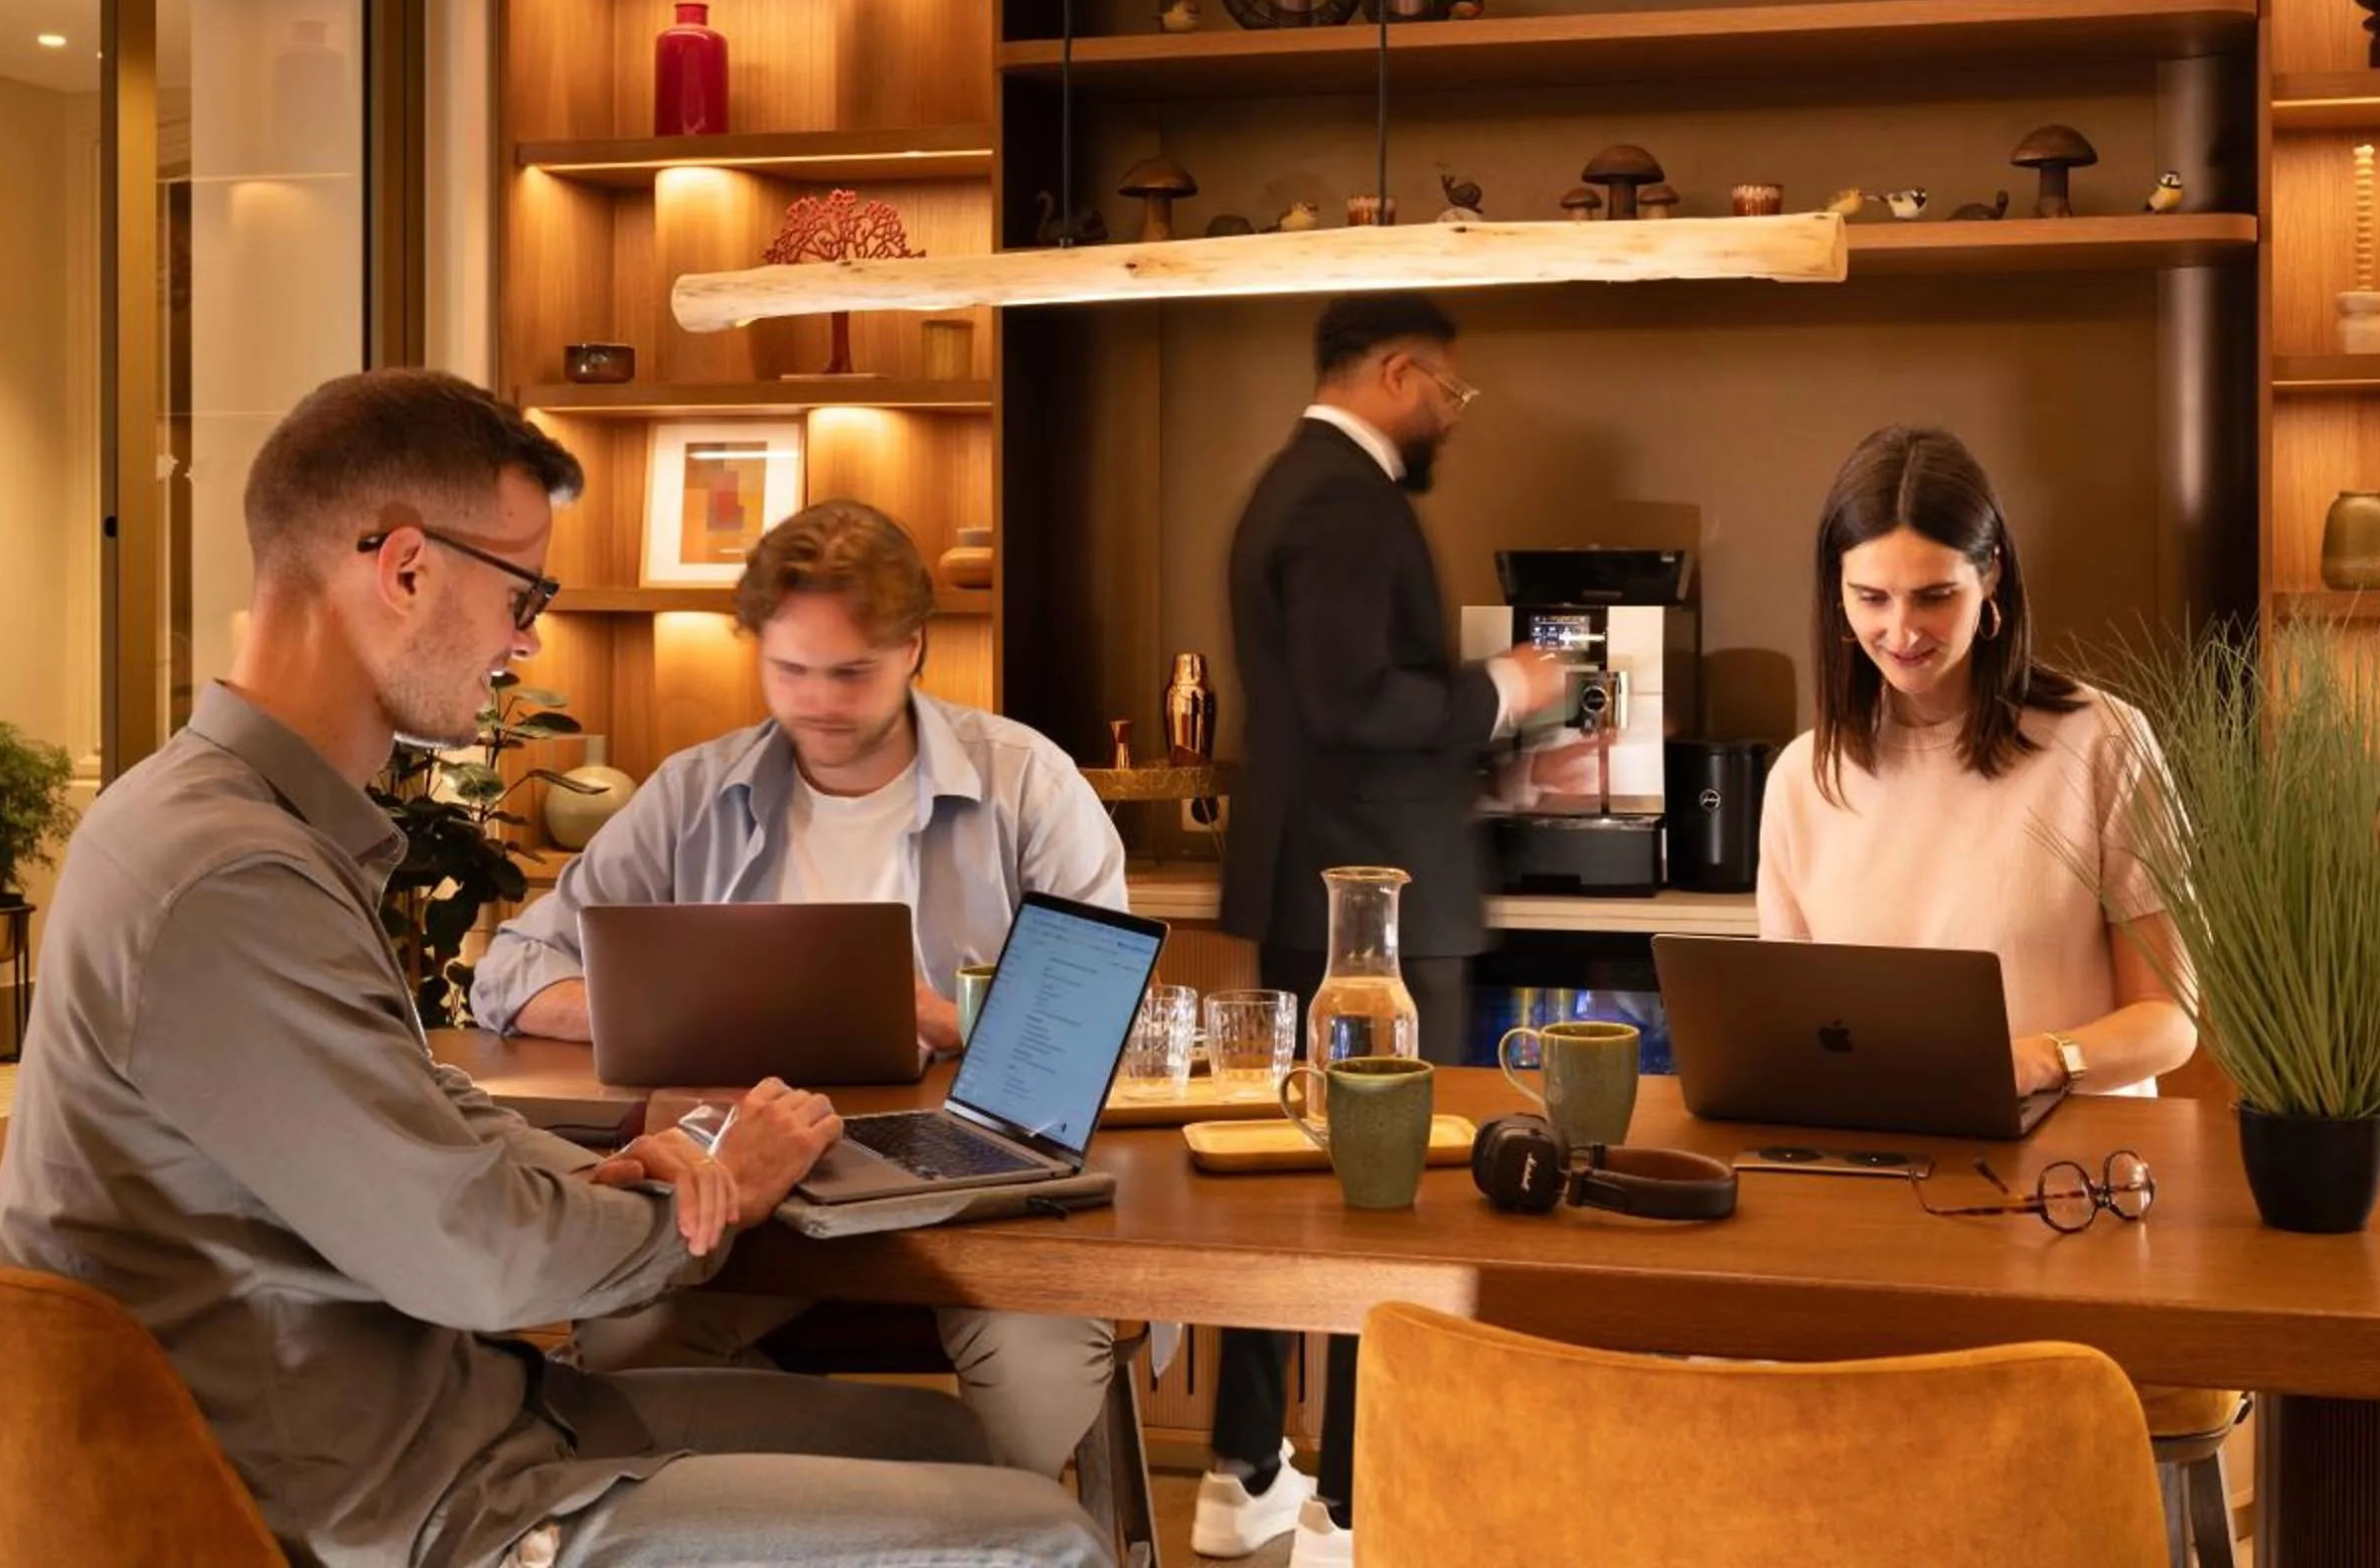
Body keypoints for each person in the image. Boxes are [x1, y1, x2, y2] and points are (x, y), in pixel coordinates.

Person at [0, 369, 1107, 1568]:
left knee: (955, 1457)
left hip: (469, 1422)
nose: (529, 636)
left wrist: (620, 1150)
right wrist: (707, 1192)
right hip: (407, 1507)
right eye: (525, 589)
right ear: (406, 568)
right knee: (1037, 1536)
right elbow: (478, 1251)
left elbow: (430, 1122)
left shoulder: (247, 831)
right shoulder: (227, 875)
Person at [472, 498, 1130, 1479]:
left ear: (913, 647)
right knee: (626, 1351)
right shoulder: (696, 789)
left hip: (981, 1179)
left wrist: (938, 1017)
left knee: (1031, 1394)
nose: (819, 701)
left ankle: (983, 1538)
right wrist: (690, 1012)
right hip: (749, 1169)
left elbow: (1092, 1026)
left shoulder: (1027, 782)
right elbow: (510, 970)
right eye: (790, 670)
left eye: (852, 671)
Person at [1199, 293, 1566, 1567]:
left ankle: (1246, 1462)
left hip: (1314, 879)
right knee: (1386, 1199)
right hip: (1375, 903)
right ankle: (1357, 1498)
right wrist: (1502, 690)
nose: (1449, 416)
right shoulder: (1348, 500)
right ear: (1399, 372)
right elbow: (1356, 696)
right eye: (1448, 392)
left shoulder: (1283, 486)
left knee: (1285, 1178)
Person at [1756, 424, 2197, 1100]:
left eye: (1934, 596)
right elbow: (1790, 1027)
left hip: (2071, 1174)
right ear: (1836, 591)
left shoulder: (2102, 741)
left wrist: (2039, 1061)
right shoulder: (1802, 777)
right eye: (1872, 597)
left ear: (1990, 575)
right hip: (1884, 1158)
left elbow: (2169, 1023)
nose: (1901, 632)